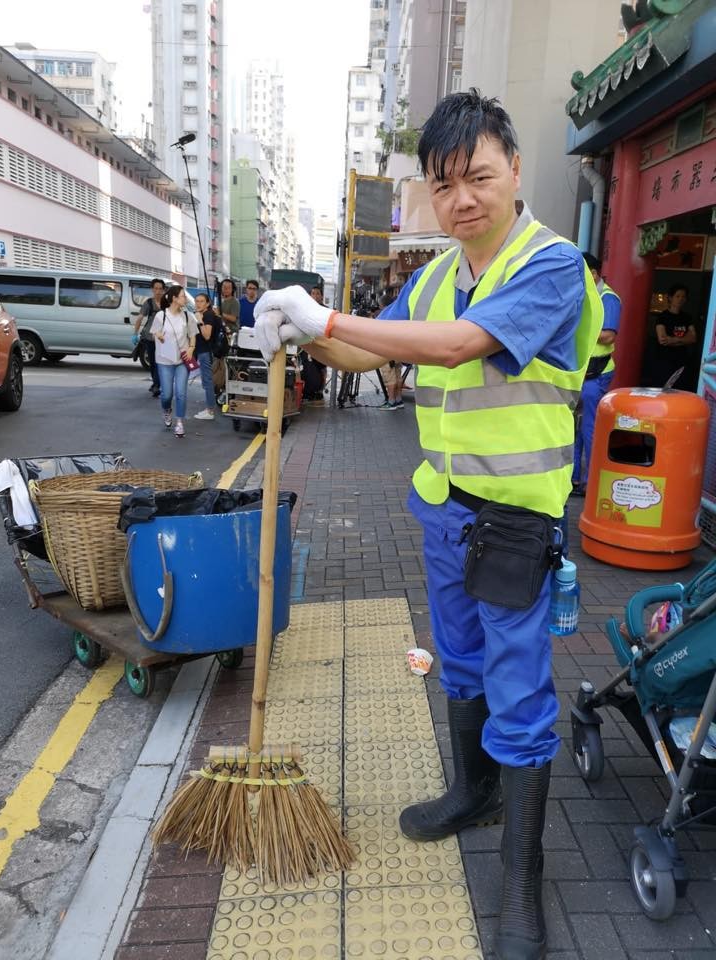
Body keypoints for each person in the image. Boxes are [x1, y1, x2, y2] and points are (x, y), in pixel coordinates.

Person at [252, 89, 601, 960]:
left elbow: (456, 347)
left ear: (516, 171)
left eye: (479, 177)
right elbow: (373, 351)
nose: (463, 199)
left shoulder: (551, 267)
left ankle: (522, 885)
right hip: (445, 513)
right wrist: (293, 332)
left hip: (517, 522)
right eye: (445, 186)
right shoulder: (437, 275)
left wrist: (327, 316)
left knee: (520, 697)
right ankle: (471, 794)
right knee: (463, 666)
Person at [571, 253, 621, 496]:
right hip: (580, 372)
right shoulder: (585, 295)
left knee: (589, 428)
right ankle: (573, 480)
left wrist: (576, 326)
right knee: (575, 427)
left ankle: (591, 484)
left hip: (597, 373)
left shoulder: (608, 298)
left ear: (593, 273)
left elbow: (608, 335)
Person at [151, 285, 198, 438]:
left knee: (181, 393)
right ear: (174, 298)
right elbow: (154, 332)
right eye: (183, 296)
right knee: (166, 395)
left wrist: (191, 348)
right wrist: (158, 335)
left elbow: (193, 335)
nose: (185, 298)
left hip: (182, 361)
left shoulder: (187, 316)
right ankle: (166, 410)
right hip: (164, 359)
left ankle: (179, 422)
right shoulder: (161, 316)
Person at [652, 283, 697, 389]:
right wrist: (683, 340)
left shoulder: (687, 317)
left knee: (679, 389)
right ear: (671, 298)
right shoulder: (663, 317)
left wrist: (673, 339)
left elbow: (693, 338)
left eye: (683, 296)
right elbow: (663, 339)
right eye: (677, 296)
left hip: (681, 361)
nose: (681, 299)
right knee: (663, 389)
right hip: (664, 361)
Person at [134, 278, 165, 397]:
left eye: (160, 289)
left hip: (163, 338)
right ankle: (156, 383)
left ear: (164, 290)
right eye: (156, 288)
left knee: (160, 362)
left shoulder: (167, 303)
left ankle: (156, 385)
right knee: (152, 362)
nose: (158, 291)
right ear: (152, 289)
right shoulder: (148, 303)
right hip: (150, 337)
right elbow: (140, 318)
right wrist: (135, 334)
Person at [193, 291, 221, 421]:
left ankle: (210, 410)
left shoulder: (208, 315)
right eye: (196, 301)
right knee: (206, 381)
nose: (198, 303)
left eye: (201, 301)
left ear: (207, 303)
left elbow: (207, 335)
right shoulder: (204, 314)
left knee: (207, 381)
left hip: (206, 352)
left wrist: (199, 321)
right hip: (202, 351)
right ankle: (209, 409)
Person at [377, 289, 404, 410]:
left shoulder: (386, 316)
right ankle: (398, 399)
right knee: (398, 375)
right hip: (399, 351)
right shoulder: (398, 314)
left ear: (383, 305)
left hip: (387, 351)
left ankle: (391, 401)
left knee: (389, 376)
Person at [300, 286, 328, 403]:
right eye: (313, 293)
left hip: (321, 344)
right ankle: (307, 391)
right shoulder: (304, 309)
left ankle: (320, 390)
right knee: (306, 367)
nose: (315, 296)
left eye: (317, 293)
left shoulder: (325, 310)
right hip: (306, 343)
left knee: (321, 367)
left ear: (321, 296)